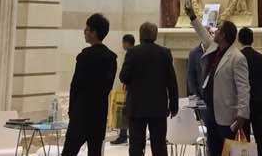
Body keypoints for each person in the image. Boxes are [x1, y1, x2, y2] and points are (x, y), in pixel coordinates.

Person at [185, 3, 249, 156]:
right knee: (213, 150)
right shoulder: (215, 49)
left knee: (228, 151)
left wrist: (242, 114)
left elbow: (243, 88)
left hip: (227, 115)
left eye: (218, 30)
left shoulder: (237, 58)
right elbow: (203, 34)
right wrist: (192, 16)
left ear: (223, 35)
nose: (214, 31)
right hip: (211, 111)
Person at [119, 22, 178, 156]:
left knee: (136, 146)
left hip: (136, 107)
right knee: (159, 145)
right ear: (155, 35)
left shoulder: (132, 52)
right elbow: (171, 81)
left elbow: (123, 77)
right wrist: (174, 105)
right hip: (158, 107)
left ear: (140, 35)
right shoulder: (164, 53)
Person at [63, 13, 118, 156]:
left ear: (94, 33)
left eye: (87, 29)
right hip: (99, 111)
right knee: (95, 152)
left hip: (81, 111)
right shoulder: (111, 58)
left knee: (69, 151)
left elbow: (75, 85)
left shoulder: (85, 56)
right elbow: (108, 86)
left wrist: (72, 110)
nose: (84, 32)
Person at [238, 27, 262, 156]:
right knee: (258, 130)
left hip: (242, 99)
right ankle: (261, 153)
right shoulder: (261, 58)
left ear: (239, 40)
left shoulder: (237, 57)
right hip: (257, 98)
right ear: (252, 40)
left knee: (244, 131)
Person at [112, 34, 136, 145]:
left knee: (125, 112)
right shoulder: (135, 53)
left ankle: (123, 135)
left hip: (131, 89)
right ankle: (125, 134)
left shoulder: (130, 53)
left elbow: (125, 74)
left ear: (126, 43)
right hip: (133, 89)